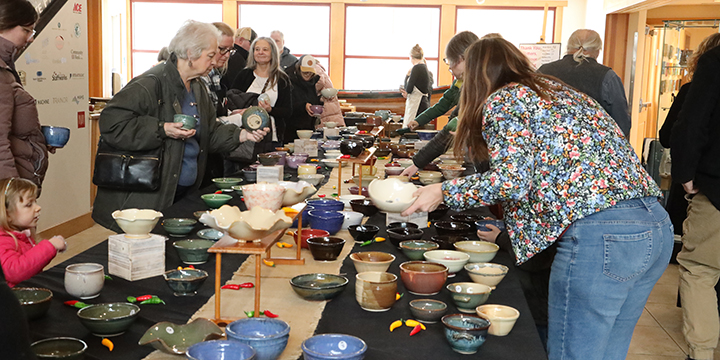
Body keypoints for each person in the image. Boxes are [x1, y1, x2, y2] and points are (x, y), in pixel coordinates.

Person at [403, 37, 672, 360]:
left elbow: (513, 180)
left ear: (475, 77)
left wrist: (443, 191)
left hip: (602, 235)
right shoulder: (554, 90)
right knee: (608, 352)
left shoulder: (504, 100)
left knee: (572, 353)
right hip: (655, 225)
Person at [92, 21, 268, 232]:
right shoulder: (150, 83)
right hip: (148, 195)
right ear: (190, 53)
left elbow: (209, 134)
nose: (215, 61)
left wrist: (243, 136)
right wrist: (162, 128)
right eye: (210, 55)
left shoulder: (197, 87)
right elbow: (112, 123)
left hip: (182, 193)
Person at [670, 41, 720, 360]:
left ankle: (701, 355)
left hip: (716, 187)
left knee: (700, 269)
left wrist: (686, 172)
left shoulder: (715, 61)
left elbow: (693, 121)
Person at [658, 33, 720, 238]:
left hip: (706, 184)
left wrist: (684, 172)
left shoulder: (691, 88)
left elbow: (668, 135)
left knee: (700, 264)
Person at [399, 31, 482, 177]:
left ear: (462, 59)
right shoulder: (466, 82)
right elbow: (446, 111)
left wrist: (417, 163)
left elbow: (454, 124)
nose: (450, 69)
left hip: (483, 163)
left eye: (450, 63)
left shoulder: (480, 86)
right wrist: (417, 163)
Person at [537, 29, 631, 138]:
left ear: (568, 48)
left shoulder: (544, 71)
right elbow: (622, 123)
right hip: (593, 147)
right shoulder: (607, 77)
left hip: (548, 143)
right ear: (598, 50)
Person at [0, 0, 52, 192]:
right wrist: (12, 195)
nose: (30, 38)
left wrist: (36, 140)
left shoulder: (6, 66)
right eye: (26, 30)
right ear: (4, 24)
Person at [230, 36, 292, 153]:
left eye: (265, 49)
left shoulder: (282, 79)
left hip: (272, 137)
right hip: (245, 135)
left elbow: (288, 111)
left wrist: (270, 109)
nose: (260, 52)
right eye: (257, 49)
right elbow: (231, 100)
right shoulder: (244, 75)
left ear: (272, 53)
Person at [0, 178, 66, 287]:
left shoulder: (22, 234)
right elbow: (16, 272)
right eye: (29, 204)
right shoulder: (3, 241)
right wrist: (50, 246)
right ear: (8, 214)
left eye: (35, 202)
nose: (38, 207)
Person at [286, 55, 321, 141]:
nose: (308, 75)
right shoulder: (288, 81)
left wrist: (320, 103)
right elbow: (286, 105)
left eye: (310, 72)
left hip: (308, 128)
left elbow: (312, 100)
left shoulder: (312, 82)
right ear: (298, 68)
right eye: (305, 72)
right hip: (291, 129)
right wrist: (303, 106)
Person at [401, 44, 432, 128]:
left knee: (410, 131)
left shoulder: (416, 68)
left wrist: (407, 76)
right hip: (424, 103)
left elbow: (409, 89)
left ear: (411, 56)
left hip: (417, 105)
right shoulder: (425, 67)